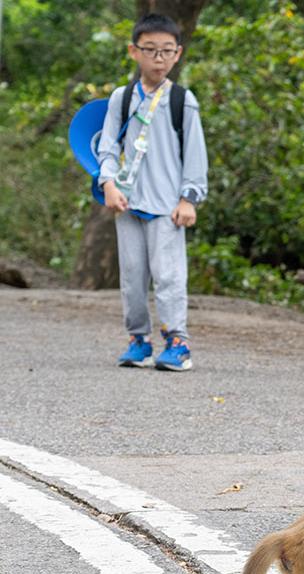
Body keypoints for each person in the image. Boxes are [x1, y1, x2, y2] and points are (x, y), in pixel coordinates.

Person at [97, 13, 208, 372]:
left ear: (178, 54)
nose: (158, 59)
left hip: (166, 206)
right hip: (127, 202)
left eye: (166, 51)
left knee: (170, 276)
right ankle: (138, 340)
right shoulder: (122, 97)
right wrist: (108, 183)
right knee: (131, 276)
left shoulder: (182, 100)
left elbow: (194, 154)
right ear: (134, 51)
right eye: (150, 51)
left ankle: (177, 342)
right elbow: (108, 146)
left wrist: (189, 198)